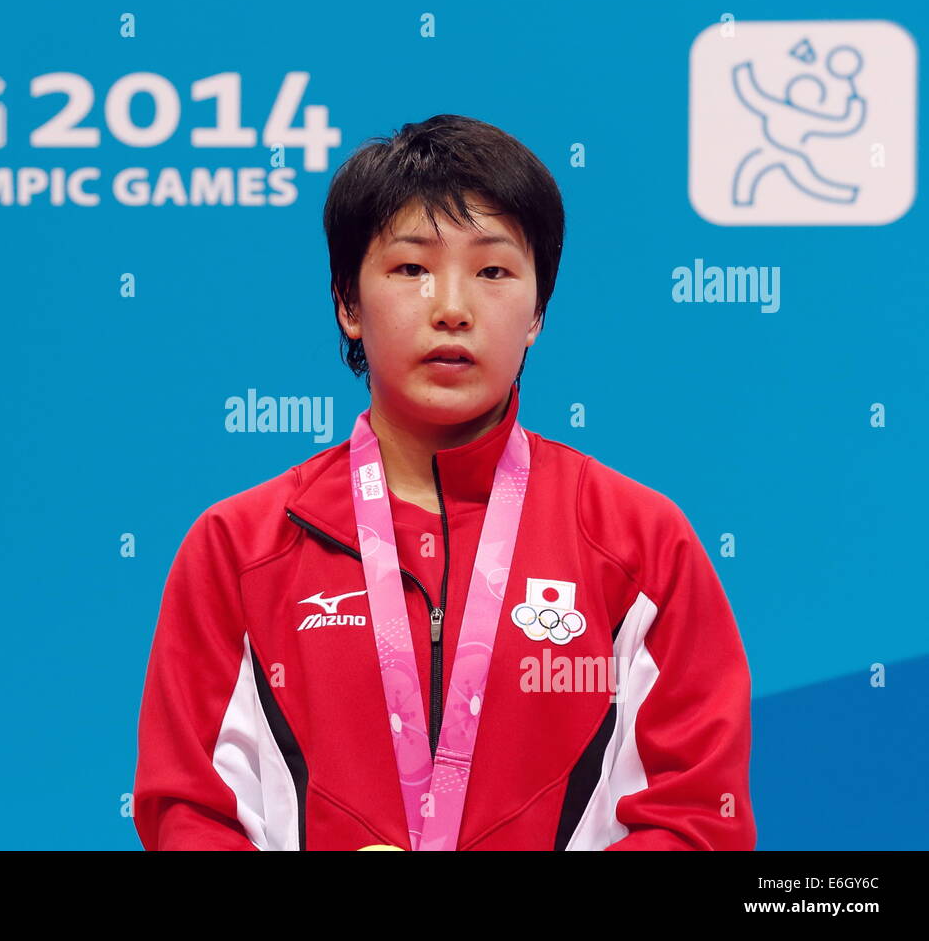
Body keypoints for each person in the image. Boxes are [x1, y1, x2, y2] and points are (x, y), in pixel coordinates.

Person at [132, 114, 756, 851]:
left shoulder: (639, 544)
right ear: (348, 305)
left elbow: (694, 821)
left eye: (493, 271)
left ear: (536, 315)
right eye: (410, 269)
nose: (452, 308)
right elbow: (190, 816)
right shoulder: (239, 549)